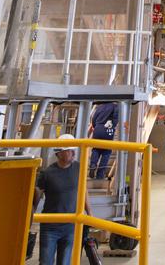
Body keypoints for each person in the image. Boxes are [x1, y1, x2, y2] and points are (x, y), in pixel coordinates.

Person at [36, 134, 90, 265]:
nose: (73, 153)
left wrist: (89, 214)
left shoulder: (78, 168)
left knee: (65, 263)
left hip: (70, 226)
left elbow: (83, 191)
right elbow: (36, 196)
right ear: (59, 153)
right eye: (69, 150)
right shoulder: (47, 173)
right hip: (50, 227)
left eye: (73, 150)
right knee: (45, 262)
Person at [89, 100, 120, 179]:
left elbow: (93, 119)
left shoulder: (99, 107)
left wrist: (97, 126)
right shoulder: (114, 106)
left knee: (96, 149)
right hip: (108, 129)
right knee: (106, 152)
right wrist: (112, 126)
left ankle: (93, 164)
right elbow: (115, 119)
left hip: (98, 129)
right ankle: (100, 174)